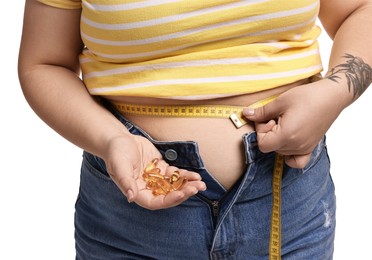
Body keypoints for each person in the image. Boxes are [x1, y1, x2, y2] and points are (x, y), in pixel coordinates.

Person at [18, 0, 372, 259]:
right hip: (130, 209)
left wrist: (336, 90)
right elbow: (44, 62)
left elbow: (360, 10)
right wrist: (112, 140)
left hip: (286, 193)